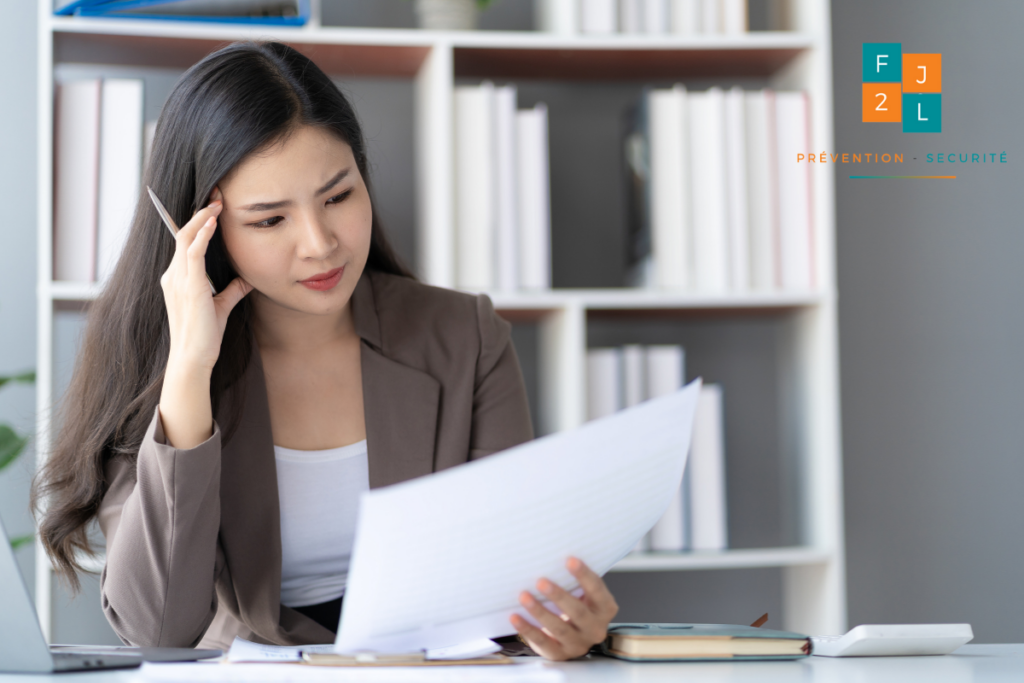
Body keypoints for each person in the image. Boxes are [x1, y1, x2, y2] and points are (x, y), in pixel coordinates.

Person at [32, 41, 617, 660]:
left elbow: (512, 579)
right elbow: (157, 631)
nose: (320, 244)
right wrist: (189, 374)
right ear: (199, 232)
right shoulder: (154, 359)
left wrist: (560, 622)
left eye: (338, 196)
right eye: (268, 220)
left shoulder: (463, 336)